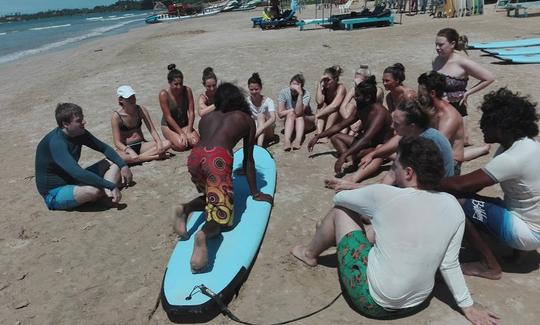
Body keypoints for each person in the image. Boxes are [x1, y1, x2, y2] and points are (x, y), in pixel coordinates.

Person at [291, 137, 500, 324]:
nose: (394, 170)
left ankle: (309, 254)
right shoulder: (453, 205)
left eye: (395, 166)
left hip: (373, 302)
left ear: (408, 172)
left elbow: (340, 199)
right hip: (418, 302)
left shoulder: (384, 194)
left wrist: (364, 193)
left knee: (340, 212)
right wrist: (467, 306)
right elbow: (449, 262)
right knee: (383, 229)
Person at [439, 88, 540, 280]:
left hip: (528, 233)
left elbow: (460, 186)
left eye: (487, 121)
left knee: (457, 201)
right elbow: (477, 184)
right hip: (533, 225)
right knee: (482, 201)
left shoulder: (512, 158)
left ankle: (489, 265)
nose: (481, 125)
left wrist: (423, 182)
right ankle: (517, 253)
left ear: (502, 126)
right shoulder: (525, 145)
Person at [173, 83, 273, 273]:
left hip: (195, 157)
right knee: (224, 220)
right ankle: (204, 233)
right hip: (217, 159)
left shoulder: (207, 118)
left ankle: (184, 209)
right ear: (238, 98)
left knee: (213, 197)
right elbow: (249, 160)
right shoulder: (245, 119)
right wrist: (256, 193)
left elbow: (206, 143)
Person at [326, 100, 454, 190]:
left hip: (435, 189)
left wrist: (355, 188)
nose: (392, 126)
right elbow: (391, 176)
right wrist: (350, 185)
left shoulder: (426, 144)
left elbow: (414, 187)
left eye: (397, 123)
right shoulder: (410, 137)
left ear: (411, 126)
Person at [35, 103, 133, 210]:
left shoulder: (79, 133)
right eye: (79, 121)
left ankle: (107, 193)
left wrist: (123, 166)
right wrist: (111, 185)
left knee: (115, 163)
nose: (84, 122)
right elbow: (78, 173)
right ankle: (107, 190)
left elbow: (104, 148)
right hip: (55, 192)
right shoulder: (57, 143)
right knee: (93, 191)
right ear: (65, 124)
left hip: (73, 180)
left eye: (82, 119)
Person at [308, 76, 393, 176]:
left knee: (359, 153)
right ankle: (351, 161)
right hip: (367, 143)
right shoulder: (362, 108)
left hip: (380, 147)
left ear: (368, 97)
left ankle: (351, 159)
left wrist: (344, 154)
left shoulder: (380, 113)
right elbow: (340, 126)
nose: (355, 98)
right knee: (335, 137)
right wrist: (319, 136)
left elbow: (366, 138)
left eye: (357, 96)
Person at [417, 71, 490, 174]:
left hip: (450, 165)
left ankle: (483, 149)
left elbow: (433, 146)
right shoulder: (429, 108)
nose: (418, 95)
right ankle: (482, 149)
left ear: (432, 93)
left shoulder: (449, 117)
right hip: (434, 156)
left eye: (421, 92)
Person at [432, 28, 495, 144]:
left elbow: (489, 78)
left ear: (452, 44)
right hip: (438, 108)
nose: (437, 48)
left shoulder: (463, 62)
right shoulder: (436, 60)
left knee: (462, 142)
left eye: (441, 45)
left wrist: (468, 92)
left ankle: (483, 149)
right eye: (436, 44)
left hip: (457, 107)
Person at [112, 85, 171, 164]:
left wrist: (159, 142)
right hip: (126, 147)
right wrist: (128, 150)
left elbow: (152, 129)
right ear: (121, 100)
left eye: (133, 96)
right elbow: (117, 142)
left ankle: (139, 158)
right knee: (117, 157)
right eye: (129, 98)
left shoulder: (141, 110)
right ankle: (154, 156)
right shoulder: (116, 117)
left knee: (167, 143)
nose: (132, 99)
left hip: (142, 145)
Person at [159, 64, 199, 152]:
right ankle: (171, 141)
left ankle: (185, 134)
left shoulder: (187, 90)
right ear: (170, 83)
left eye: (181, 83)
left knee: (195, 142)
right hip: (169, 126)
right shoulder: (164, 94)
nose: (179, 87)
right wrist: (181, 133)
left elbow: (191, 112)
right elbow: (168, 117)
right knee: (182, 146)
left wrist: (188, 130)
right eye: (175, 84)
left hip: (184, 124)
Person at [339, 65, 384, 136]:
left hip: (371, 116)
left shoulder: (376, 91)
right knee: (350, 106)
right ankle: (344, 133)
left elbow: (370, 110)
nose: (358, 84)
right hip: (357, 117)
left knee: (353, 131)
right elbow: (342, 107)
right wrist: (350, 122)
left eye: (360, 82)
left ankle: (350, 135)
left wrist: (357, 123)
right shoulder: (354, 89)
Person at [277, 73, 315, 151]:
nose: (294, 87)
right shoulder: (284, 92)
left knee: (299, 115)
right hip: (290, 122)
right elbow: (280, 114)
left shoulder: (306, 94)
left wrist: (300, 94)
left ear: (301, 86)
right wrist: (291, 110)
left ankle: (297, 140)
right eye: (293, 84)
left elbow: (298, 112)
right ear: (290, 84)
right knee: (292, 113)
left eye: (297, 85)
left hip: (306, 121)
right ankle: (287, 141)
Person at [314, 65, 347, 143]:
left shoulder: (341, 88)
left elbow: (334, 105)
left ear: (335, 80)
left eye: (328, 80)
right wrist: (319, 84)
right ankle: (319, 134)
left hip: (338, 117)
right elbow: (319, 101)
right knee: (321, 106)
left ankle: (325, 134)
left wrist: (317, 115)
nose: (326, 82)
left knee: (334, 110)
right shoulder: (324, 87)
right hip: (327, 117)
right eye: (324, 80)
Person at [247, 72, 277, 147]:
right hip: (255, 130)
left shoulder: (268, 101)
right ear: (248, 89)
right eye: (251, 89)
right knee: (254, 120)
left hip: (267, 130)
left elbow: (273, 118)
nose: (254, 92)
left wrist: (261, 128)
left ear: (261, 88)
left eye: (256, 89)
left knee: (260, 116)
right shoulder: (247, 101)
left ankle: (259, 146)